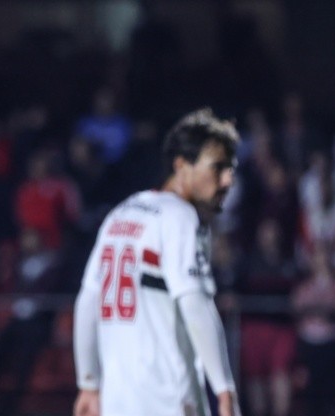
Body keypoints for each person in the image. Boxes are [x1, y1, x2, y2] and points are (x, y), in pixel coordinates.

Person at [73, 108, 241, 416]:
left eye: (230, 168)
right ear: (181, 166)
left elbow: (87, 301)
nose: (228, 179)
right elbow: (194, 304)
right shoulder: (180, 217)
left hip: (116, 400)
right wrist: (224, 388)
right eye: (217, 167)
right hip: (168, 399)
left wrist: (88, 382)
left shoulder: (120, 213)